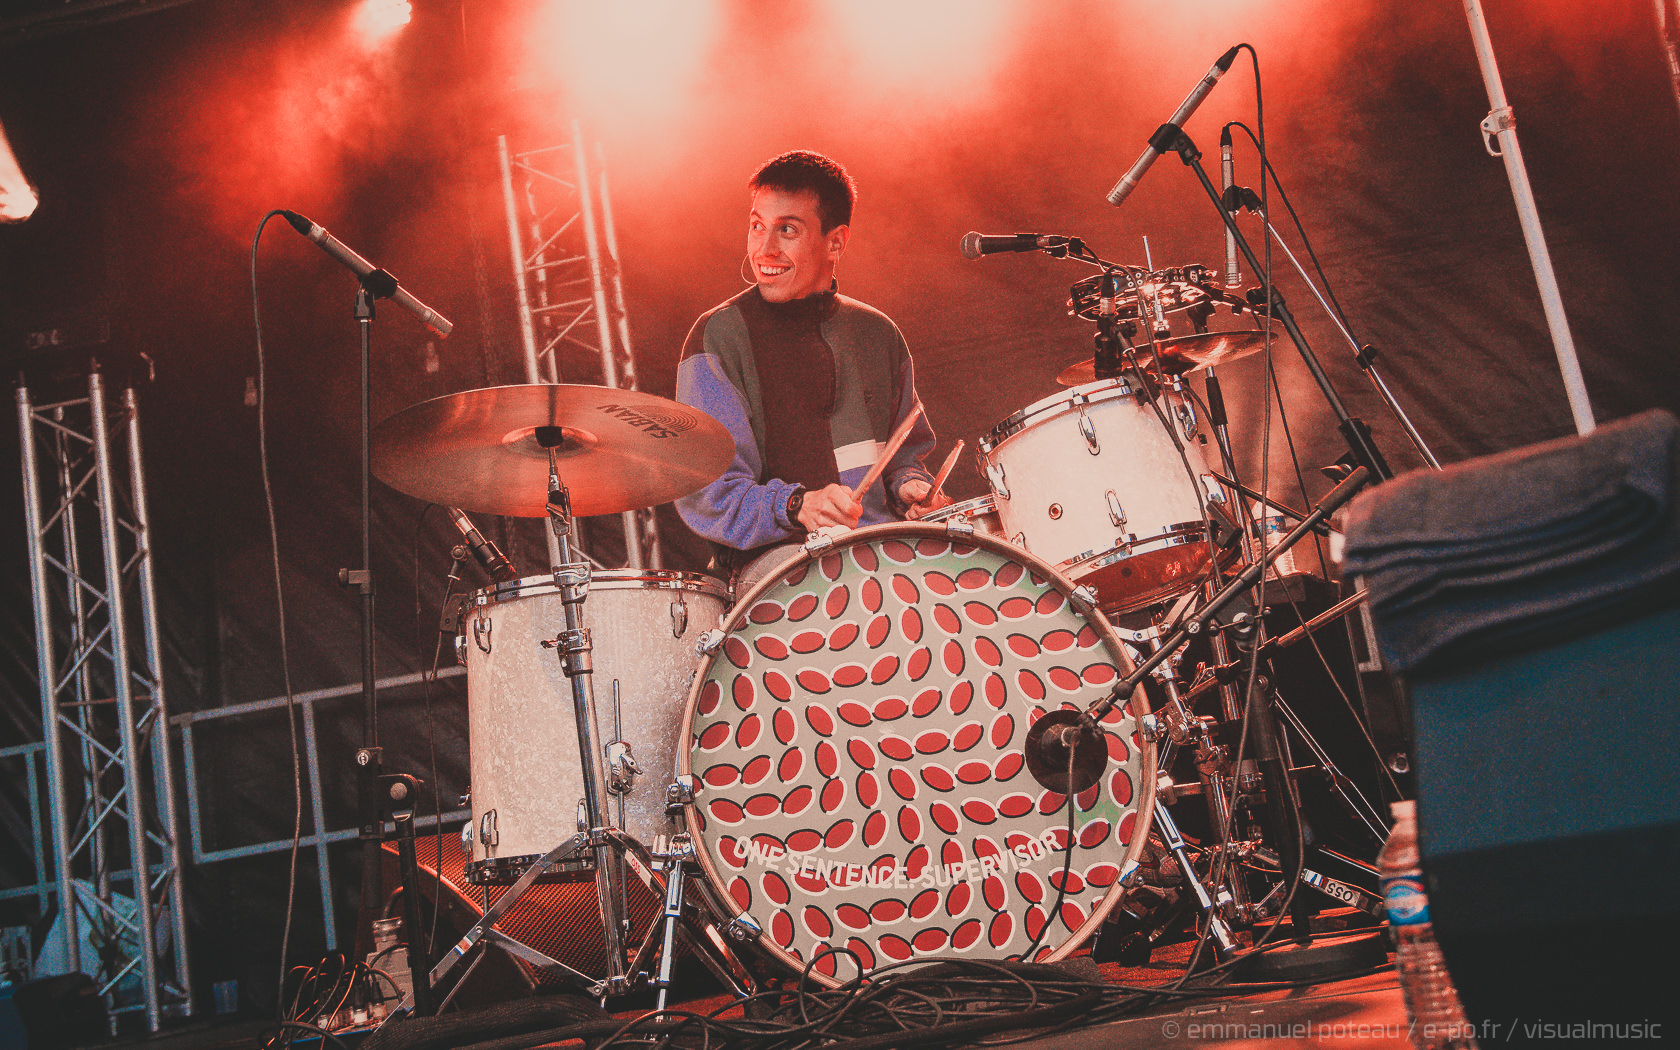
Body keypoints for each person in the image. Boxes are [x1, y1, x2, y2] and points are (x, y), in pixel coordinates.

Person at [675, 150, 947, 577]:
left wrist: (910, 485)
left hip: (885, 555)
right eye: (757, 226)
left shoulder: (879, 334)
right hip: (777, 570)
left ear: (835, 241)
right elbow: (709, 494)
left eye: (787, 230)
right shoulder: (719, 336)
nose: (765, 249)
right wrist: (797, 505)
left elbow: (903, 455)